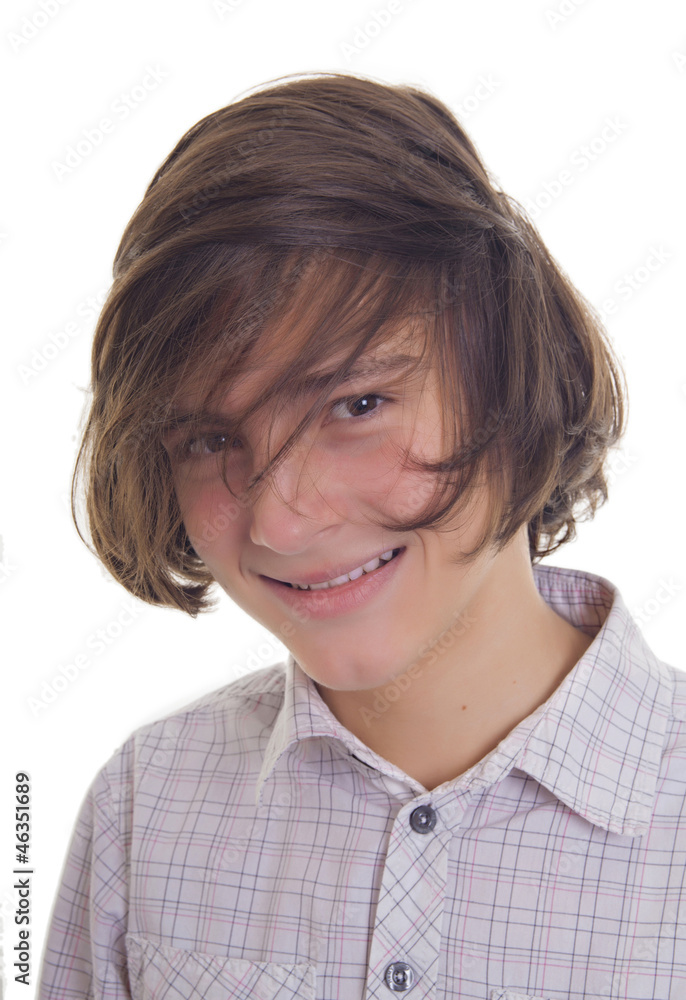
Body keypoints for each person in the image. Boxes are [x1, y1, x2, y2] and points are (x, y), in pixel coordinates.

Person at [38, 71, 685, 999]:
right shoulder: (145, 805)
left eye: (357, 405)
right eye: (211, 440)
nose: (279, 519)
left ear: (511, 377)